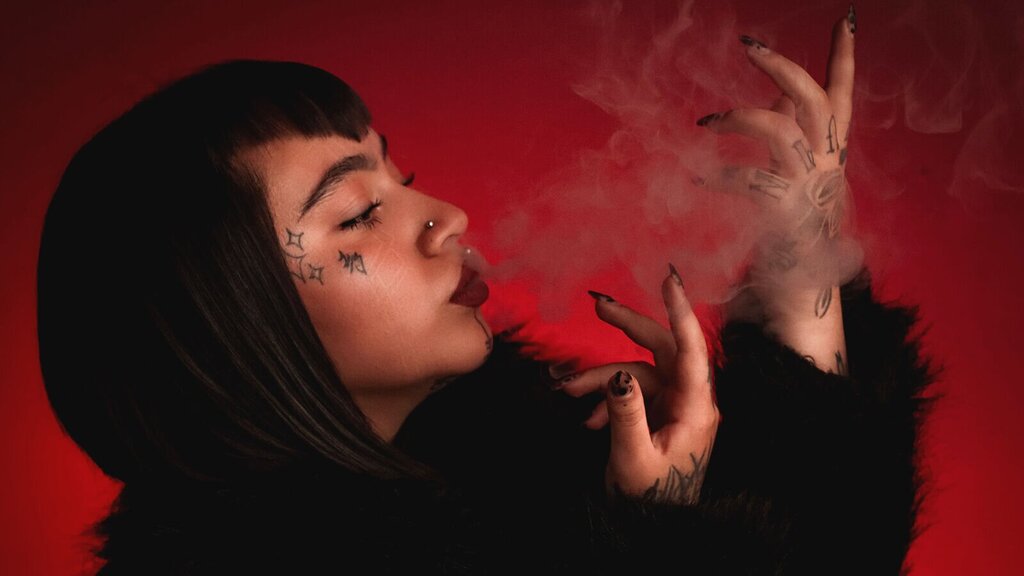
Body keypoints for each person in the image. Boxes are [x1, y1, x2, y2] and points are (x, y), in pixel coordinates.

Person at [37, 9, 935, 575]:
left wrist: (804, 294)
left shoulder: (526, 476)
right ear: (228, 331)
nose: (448, 217)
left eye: (401, 176)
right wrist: (661, 537)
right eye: (358, 213)